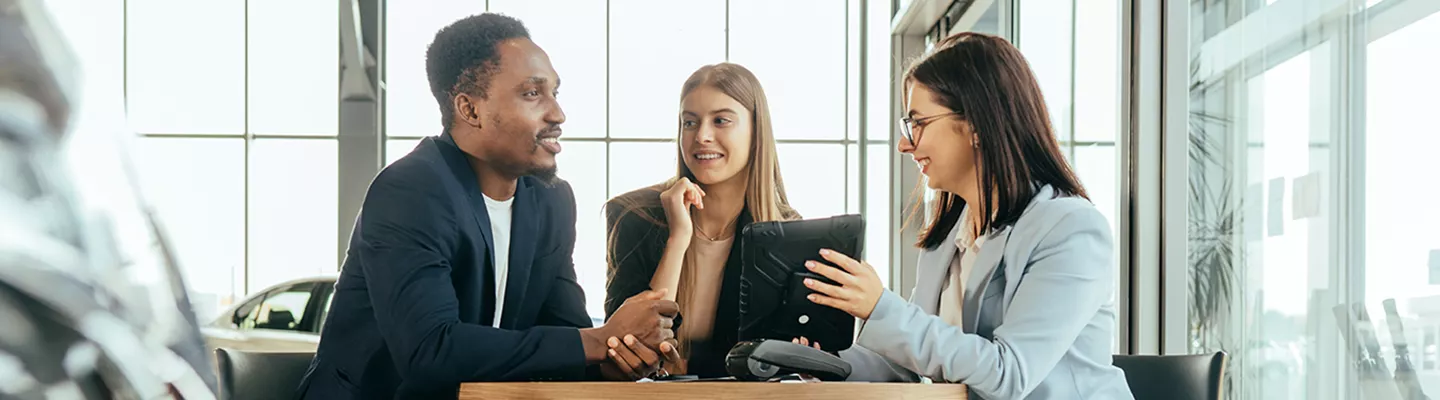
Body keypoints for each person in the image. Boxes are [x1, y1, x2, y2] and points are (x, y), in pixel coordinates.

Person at [297, 14, 678, 398]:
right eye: (532, 94)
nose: (557, 114)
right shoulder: (409, 192)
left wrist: (615, 355)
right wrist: (596, 343)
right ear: (470, 109)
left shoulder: (550, 200)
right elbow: (431, 351)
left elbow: (567, 333)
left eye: (555, 93)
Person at [797, 32, 1135, 399]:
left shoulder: (1071, 230)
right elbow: (904, 365)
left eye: (918, 123)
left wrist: (882, 307)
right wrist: (826, 363)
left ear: (975, 124)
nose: (904, 144)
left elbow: (1009, 375)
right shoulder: (948, 238)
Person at [602, 63, 799, 379]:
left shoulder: (787, 233)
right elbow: (629, 349)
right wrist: (678, 239)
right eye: (690, 122)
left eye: (721, 121)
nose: (702, 136)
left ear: (756, 130)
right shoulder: (633, 216)